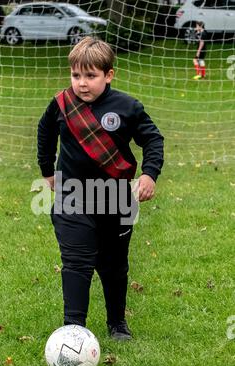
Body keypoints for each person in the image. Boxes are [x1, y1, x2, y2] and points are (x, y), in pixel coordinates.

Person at [37, 37, 164, 341]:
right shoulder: (61, 104)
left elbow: (153, 139)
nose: (82, 83)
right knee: (77, 262)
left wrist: (149, 174)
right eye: (76, 75)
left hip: (116, 198)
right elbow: (45, 132)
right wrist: (47, 171)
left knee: (113, 265)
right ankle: (74, 329)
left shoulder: (128, 106)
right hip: (72, 197)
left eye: (91, 76)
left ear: (109, 75)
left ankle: (117, 324)